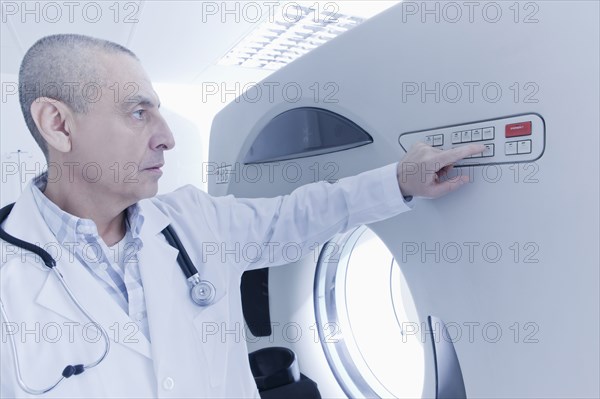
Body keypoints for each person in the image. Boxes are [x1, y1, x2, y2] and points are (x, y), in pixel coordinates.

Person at [0, 34, 485, 398]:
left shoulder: (191, 220)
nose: (167, 136)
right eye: (137, 113)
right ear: (58, 125)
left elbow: (296, 217)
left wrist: (399, 179)